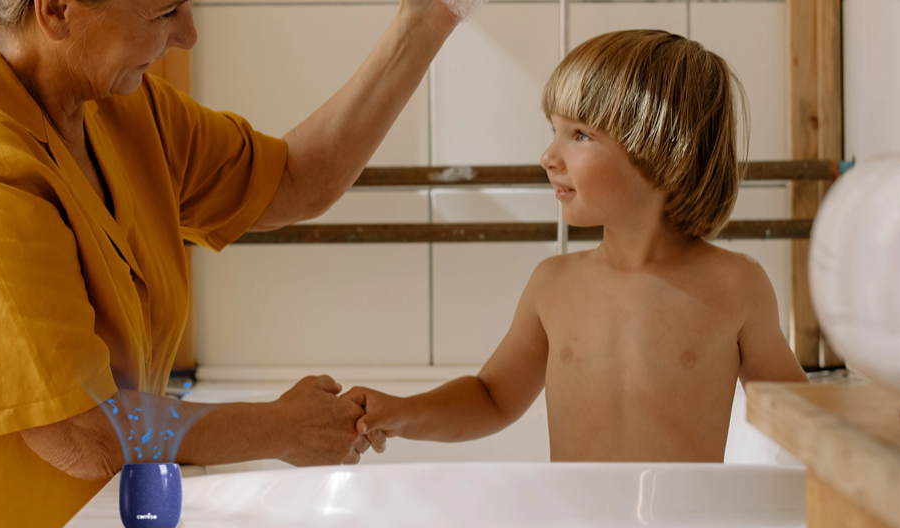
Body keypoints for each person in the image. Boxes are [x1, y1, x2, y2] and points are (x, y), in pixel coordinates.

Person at [0, 0, 463, 528]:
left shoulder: (117, 107)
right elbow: (80, 435)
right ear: (58, 10)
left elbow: (293, 180)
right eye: (163, 11)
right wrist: (279, 427)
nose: (187, 33)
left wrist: (428, 18)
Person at [345, 30, 808, 464]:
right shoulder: (554, 285)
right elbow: (492, 397)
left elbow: (804, 419)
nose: (549, 156)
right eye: (554, 131)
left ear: (666, 149)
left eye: (580, 135)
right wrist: (402, 412)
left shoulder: (735, 287)